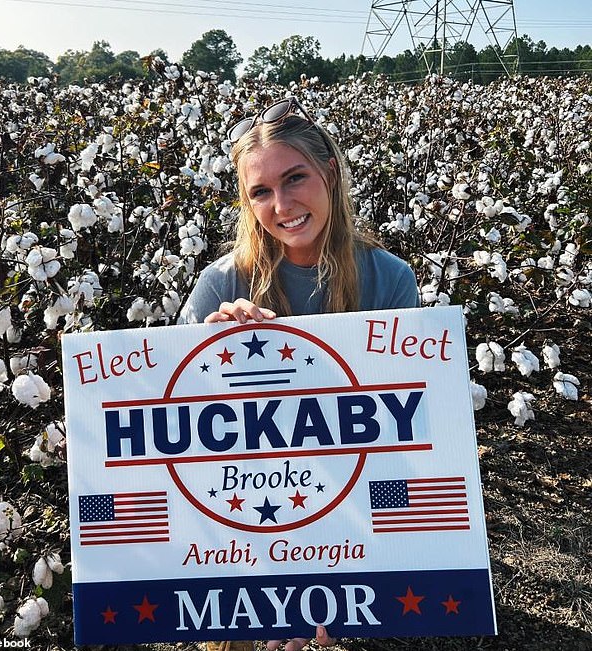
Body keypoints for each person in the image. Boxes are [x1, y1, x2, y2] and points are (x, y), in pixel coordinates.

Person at [179, 96, 420, 651]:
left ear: (329, 174)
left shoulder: (388, 279)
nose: (282, 204)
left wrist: (329, 584)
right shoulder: (221, 285)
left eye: (295, 179)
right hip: (243, 512)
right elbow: (186, 439)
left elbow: (404, 432)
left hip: (348, 508)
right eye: (260, 191)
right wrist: (209, 352)